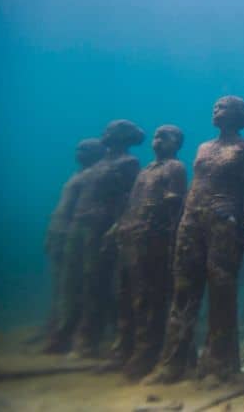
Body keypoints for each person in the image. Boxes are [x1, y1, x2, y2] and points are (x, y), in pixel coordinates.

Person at [144, 96, 244, 385]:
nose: (216, 109)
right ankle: (174, 362)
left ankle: (219, 364)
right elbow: (193, 187)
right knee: (183, 290)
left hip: (223, 222)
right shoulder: (203, 147)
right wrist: (179, 223)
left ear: (237, 114)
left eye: (223, 106)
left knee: (221, 290)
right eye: (214, 106)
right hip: (192, 220)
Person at [103, 125, 187, 380]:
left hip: (153, 240)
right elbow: (132, 203)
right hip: (130, 236)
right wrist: (116, 228)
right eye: (156, 135)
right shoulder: (145, 171)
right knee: (124, 294)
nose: (157, 140)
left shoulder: (175, 168)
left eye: (164, 136)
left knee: (147, 298)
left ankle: (145, 352)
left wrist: (173, 243)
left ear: (177, 142)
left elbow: (175, 207)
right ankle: (124, 347)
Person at [68, 120, 144, 358]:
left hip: (103, 228)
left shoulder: (128, 163)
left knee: (97, 281)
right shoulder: (99, 164)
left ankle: (91, 338)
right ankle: (84, 333)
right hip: (83, 226)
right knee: (80, 280)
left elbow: (128, 198)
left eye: (111, 130)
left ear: (122, 137)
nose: (105, 132)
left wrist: (118, 226)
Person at [42, 138, 106, 353]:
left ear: (98, 152)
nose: (79, 152)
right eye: (78, 148)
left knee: (81, 284)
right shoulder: (78, 174)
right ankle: (58, 330)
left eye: (85, 149)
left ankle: (80, 335)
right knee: (63, 285)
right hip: (64, 233)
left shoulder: (95, 175)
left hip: (83, 232)